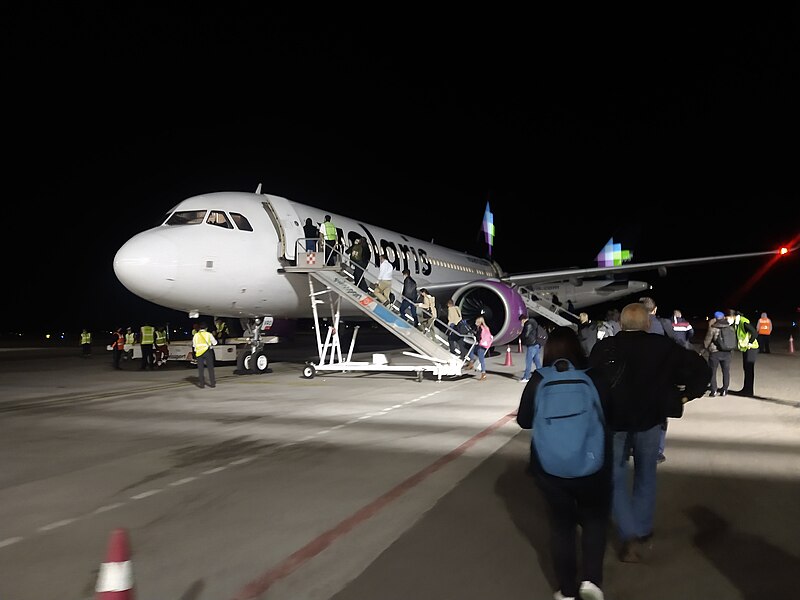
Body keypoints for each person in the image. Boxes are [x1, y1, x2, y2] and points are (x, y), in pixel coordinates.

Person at [589, 302, 710, 563]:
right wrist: (684, 397)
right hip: (651, 420)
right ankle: (642, 528)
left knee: (614, 477)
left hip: (615, 422)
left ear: (621, 324)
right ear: (647, 324)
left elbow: (591, 380)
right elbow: (702, 370)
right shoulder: (663, 347)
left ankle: (628, 530)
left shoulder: (605, 347)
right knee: (646, 475)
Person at [517, 326, 612, 600]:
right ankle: (592, 582)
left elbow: (524, 420)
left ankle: (567, 590)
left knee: (561, 527)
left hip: (550, 467)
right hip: (592, 464)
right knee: (594, 522)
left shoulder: (539, 378)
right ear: (578, 347)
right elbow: (610, 414)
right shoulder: (593, 376)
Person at [639, 296, 677, 463]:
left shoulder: (633, 324)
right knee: (660, 416)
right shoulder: (662, 324)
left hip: (638, 376)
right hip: (660, 376)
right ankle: (657, 451)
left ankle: (636, 447)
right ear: (654, 309)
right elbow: (677, 343)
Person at [728, 309, 759, 397]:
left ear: (733, 316)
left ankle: (749, 391)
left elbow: (754, 333)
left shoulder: (743, 321)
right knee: (746, 369)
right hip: (746, 349)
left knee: (749, 369)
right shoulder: (737, 323)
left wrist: (750, 343)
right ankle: (746, 389)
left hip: (751, 348)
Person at [703, 311, 733, 396]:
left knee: (712, 371)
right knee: (726, 372)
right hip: (727, 352)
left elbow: (707, 340)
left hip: (715, 353)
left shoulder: (713, 328)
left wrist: (702, 350)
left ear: (715, 318)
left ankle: (714, 390)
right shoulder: (730, 328)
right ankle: (724, 390)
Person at [466, 316, 493, 381]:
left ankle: (483, 374)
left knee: (481, 360)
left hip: (481, 345)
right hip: (484, 345)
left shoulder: (480, 328)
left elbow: (479, 337)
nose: (475, 323)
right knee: (471, 350)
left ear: (479, 322)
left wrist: (474, 334)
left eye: (476, 322)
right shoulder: (486, 328)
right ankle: (471, 362)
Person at [518, 313, 543, 383]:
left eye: (521, 321)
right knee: (537, 361)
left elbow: (526, 334)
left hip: (532, 345)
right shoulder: (534, 322)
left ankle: (526, 377)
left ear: (523, 320)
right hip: (537, 344)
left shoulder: (528, 324)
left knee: (528, 361)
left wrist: (521, 333)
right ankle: (542, 376)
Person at [192, 322, 218, 388]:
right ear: (206, 328)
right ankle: (212, 384)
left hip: (199, 353)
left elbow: (194, 345)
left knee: (200, 369)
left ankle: (202, 384)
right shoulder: (208, 334)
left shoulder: (196, 335)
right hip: (207, 352)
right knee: (210, 368)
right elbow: (215, 343)